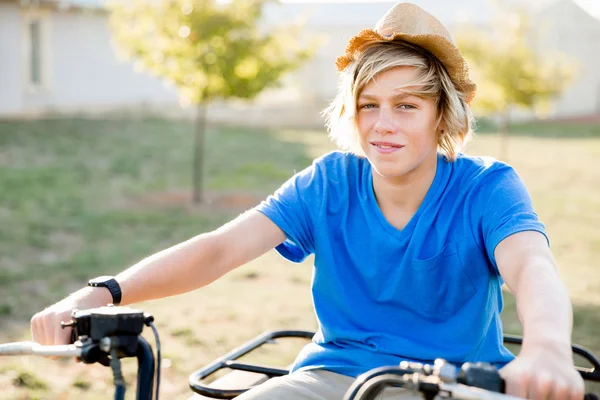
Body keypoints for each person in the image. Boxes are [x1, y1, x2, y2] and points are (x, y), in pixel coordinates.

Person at [30, 2, 584, 399]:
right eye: (369, 105)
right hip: (333, 379)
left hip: (454, 382)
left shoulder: (486, 186)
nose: (383, 126)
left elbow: (532, 266)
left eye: (407, 106)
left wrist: (549, 348)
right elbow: (220, 249)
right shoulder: (330, 183)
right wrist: (101, 292)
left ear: (443, 114)